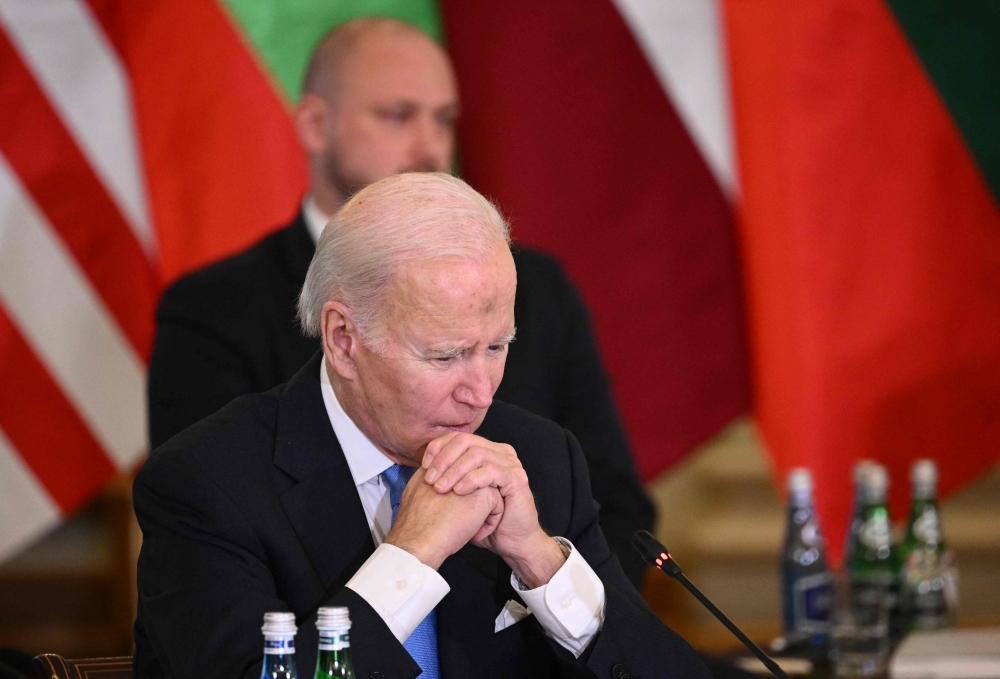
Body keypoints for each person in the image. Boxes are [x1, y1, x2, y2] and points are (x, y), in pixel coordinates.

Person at [133, 173, 708, 679]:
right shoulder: (208, 482)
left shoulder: (538, 457)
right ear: (344, 340)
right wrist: (410, 556)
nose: (480, 391)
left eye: (497, 347)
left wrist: (540, 563)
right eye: (444, 356)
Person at [147, 17, 654, 586]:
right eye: (397, 115)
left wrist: (550, 603)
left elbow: (616, 514)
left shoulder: (534, 288)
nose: (429, 145)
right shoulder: (215, 307)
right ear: (316, 124)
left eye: (444, 120)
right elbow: (217, 521)